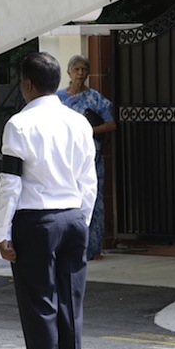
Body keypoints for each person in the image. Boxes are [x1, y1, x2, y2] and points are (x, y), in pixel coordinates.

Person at [0, 52, 97, 349]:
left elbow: (10, 183)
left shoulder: (19, 124)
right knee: (71, 309)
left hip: (36, 222)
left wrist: (2, 232)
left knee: (40, 310)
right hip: (72, 218)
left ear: (26, 84)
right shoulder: (78, 121)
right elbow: (89, 179)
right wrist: (81, 219)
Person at [56, 55, 115, 260]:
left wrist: (90, 130)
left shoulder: (95, 98)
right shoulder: (59, 99)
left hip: (92, 156)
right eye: (77, 69)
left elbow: (111, 124)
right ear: (69, 73)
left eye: (84, 69)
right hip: (65, 156)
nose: (80, 74)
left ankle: (93, 248)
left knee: (94, 200)